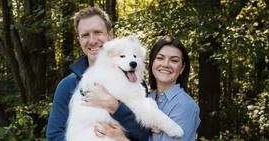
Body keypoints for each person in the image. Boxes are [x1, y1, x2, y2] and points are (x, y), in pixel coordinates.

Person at [46, 7, 149, 141]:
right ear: (79, 40)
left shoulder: (133, 79)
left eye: (98, 32)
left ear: (110, 36)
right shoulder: (68, 85)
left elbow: (145, 134)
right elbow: (54, 136)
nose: (93, 40)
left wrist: (115, 108)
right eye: (85, 35)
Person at [98, 38, 201, 141]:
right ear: (152, 63)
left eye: (174, 60)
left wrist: (121, 138)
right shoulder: (148, 97)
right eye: (160, 58)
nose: (165, 64)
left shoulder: (185, 106)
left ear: (182, 68)